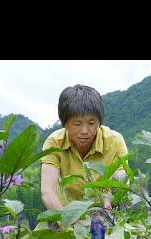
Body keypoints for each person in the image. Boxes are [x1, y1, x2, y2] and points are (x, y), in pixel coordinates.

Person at [39, 84, 128, 212]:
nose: (85, 130)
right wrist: (69, 221)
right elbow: (48, 191)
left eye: (91, 123)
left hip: (105, 211)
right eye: (77, 124)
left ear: (100, 122)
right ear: (65, 124)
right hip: (63, 211)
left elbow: (121, 178)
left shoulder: (114, 141)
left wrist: (109, 200)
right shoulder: (54, 142)